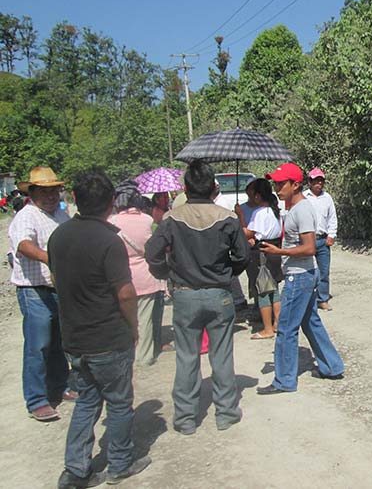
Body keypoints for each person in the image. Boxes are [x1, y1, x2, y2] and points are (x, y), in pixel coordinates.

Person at [48, 170, 151, 488]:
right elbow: (125, 292)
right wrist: (133, 326)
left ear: (75, 200)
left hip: (76, 338)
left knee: (87, 401)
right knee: (119, 402)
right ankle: (120, 464)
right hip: (108, 336)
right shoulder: (109, 240)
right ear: (110, 203)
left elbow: (56, 281)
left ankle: (75, 469)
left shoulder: (58, 236)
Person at [145, 160, 248, 435]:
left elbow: (151, 253)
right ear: (214, 187)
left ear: (185, 188)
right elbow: (243, 256)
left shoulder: (171, 219)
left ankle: (186, 418)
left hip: (185, 295)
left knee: (187, 357)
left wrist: (167, 272)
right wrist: (226, 274)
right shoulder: (228, 218)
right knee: (222, 355)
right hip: (220, 295)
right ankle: (226, 413)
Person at [256, 163, 345, 394]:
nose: (277, 188)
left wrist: (279, 252)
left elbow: (309, 248)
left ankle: (284, 380)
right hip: (302, 274)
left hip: (300, 276)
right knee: (310, 322)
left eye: (281, 183)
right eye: (275, 183)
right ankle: (332, 366)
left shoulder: (302, 210)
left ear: (295, 185)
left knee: (285, 327)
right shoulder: (293, 209)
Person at [8, 167, 72, 422]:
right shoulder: (27, 216)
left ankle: (60, 385)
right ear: (32, 192)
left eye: (53, 191)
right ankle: (36, 399)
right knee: (38, 345)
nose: (50, 196)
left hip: (58, 287)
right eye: (44, 191)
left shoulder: (61, 215)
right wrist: (50, 258)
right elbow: (24, 245)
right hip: (34, 288)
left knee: (59, 341)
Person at [110, 180, 168, 365]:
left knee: (124, 319)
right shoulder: (148, 221)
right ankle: (144, 356)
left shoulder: (110, 222)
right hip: (147, 275)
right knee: (145, 320)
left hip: (120, 276)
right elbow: (159, 247)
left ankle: (126, 354)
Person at [240, 178, 284, 340]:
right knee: (275, 289)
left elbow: (248, 233)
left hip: (263, 253)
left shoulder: (259, 213)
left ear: (258, 196)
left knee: (264, 290)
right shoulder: (275, 210)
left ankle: (267, 328)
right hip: (275, 251)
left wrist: (240, 216)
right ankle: (277, 322)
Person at [303, 168, 339, 311]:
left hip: (323, 240)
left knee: (324, 271)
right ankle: (306, 299)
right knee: (307, 270)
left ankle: (322, 299)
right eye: (316, 180)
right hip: (308, 239)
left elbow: (332, 218)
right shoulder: (303, 197)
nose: (319, 183)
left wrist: (331, 235)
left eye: (321, 180)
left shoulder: (327, 198)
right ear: (310, 182)